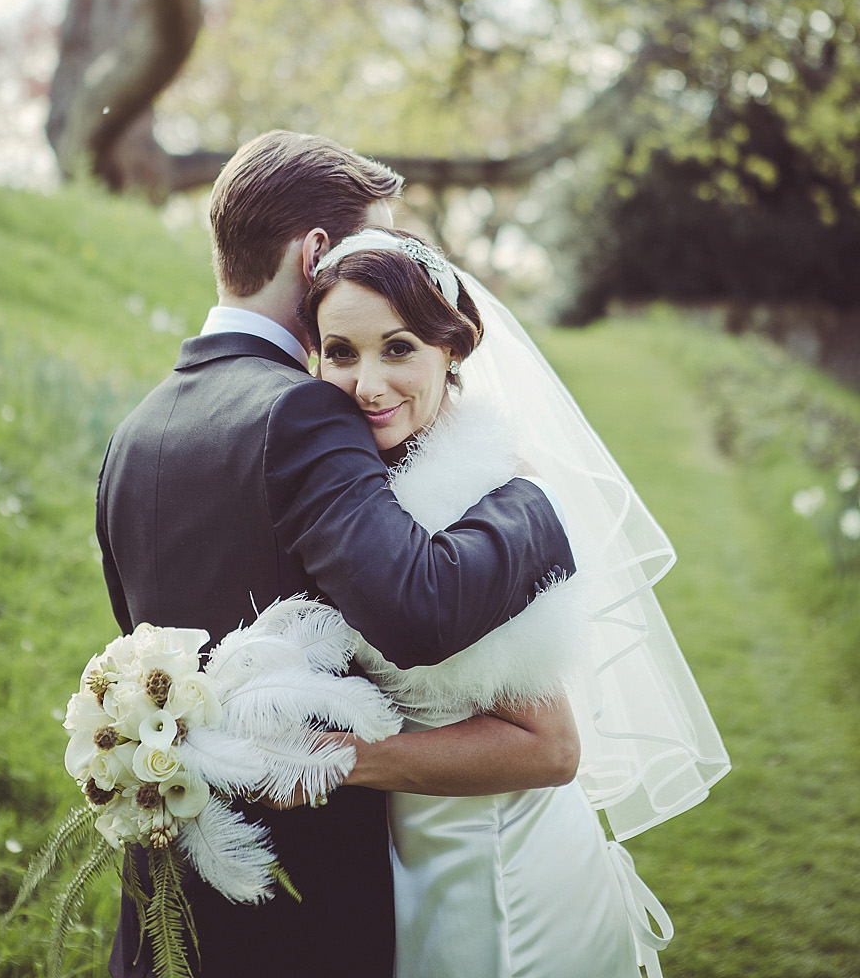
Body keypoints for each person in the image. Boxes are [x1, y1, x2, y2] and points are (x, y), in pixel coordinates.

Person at [95, 132, 578, 978]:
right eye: (363, 244)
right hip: (305, 898)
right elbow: (415, 607)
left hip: (168, 881)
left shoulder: (134, 434)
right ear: (317, 252)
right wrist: (539, 503)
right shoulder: (309, 413)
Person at [299, 227, 731, 978]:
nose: (368, 383)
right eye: (342, 352)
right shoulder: (370, 475)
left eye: (398, 349)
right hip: (414, 855)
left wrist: (343, 763)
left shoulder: (481, 496)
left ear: (452, 351)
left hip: (495, 874)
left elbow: (552, 747)